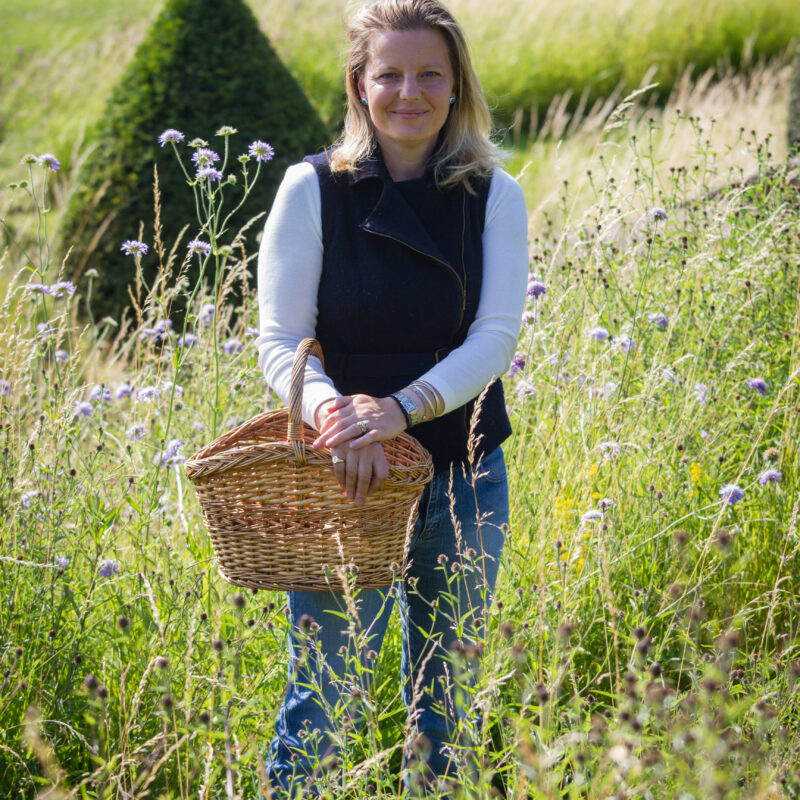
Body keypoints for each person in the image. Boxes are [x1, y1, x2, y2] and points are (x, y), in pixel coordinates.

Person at [255, 0, 528, 794]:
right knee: (321, 701)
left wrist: (398, 411)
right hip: (345, 479)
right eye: (390, 75)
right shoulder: (311, 189)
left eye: (429, 74)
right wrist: (340, 418)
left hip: (464, 475)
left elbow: (495, 338)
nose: (409, 91)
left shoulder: (493, 195)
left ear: (457, 86)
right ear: (359, 85)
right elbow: (280, 340)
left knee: (446, 706)